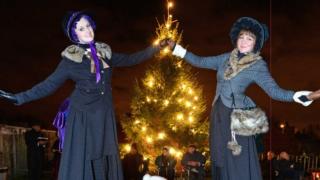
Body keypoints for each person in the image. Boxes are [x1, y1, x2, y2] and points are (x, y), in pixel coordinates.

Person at [0, 11, 168, 180]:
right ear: (74, 34)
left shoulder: (105, 52)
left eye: (88, 26)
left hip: (104, 113)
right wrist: (18, 98)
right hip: (83, 116)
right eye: (81, 28)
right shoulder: (70, 60)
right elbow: (48, 85)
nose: (87, 31)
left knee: (103, 158)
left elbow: (131, 59)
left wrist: (157, 47)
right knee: (85, 159)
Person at [168, 17, 317, 179]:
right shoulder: (225, 58)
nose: (244, 41)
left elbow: (274, 91)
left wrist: (305, 96)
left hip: (236, 117)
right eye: (242, 37)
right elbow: (200, 61)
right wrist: (176, 48)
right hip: (218, 113)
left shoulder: (257, 65)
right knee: (220, 157)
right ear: (236, 39)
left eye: (250, 38)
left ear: (255, 43)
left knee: (237, 160)